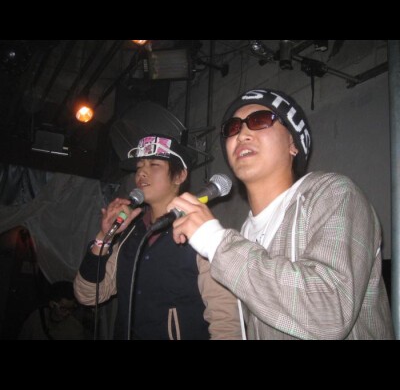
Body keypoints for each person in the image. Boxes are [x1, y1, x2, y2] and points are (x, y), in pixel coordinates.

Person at [167, 88, 394, 340]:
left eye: (259, 120)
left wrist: (215, 241)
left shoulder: (334, 194)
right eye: (233, 127)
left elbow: (330, 312)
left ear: (293, 144)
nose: (242, 134)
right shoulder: (244, 234)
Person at [74, 134, 241, 340]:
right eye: (139, 166)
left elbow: (226, 319)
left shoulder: (201, 232)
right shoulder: (131, 233)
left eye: (154, 165)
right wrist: (104, 236)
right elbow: (87, 295)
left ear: (179, 176)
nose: (142, 172)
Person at [18, 281, 86, 340]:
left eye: (71, 308)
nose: (68, 312)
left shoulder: (75, 329)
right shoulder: (37, 317)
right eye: (63, 309)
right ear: (52, 304)